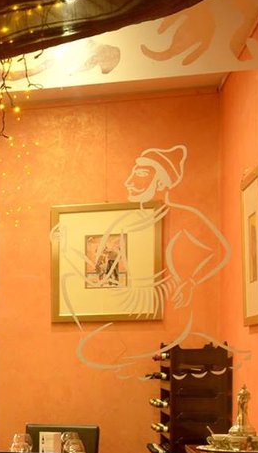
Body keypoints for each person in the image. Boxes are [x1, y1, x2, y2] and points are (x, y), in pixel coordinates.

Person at [53, 144, 228, 376]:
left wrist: (191, 281)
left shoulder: (184, 216)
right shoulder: (127, 221)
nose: (129, 181)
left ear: (160, 182)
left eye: (141, 173)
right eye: (133, 173)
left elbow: (218, 251)